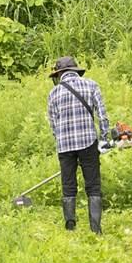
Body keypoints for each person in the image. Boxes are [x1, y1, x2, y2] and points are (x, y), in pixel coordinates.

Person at [46, 55, 111, 234]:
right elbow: (102, 115)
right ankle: (96, 229)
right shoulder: (91, 85)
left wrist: (60, 139)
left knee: (68, 185)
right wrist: (104, 138)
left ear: (59, 74)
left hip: (65, 145)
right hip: (88, 142)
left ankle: (70, 227)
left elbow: (53, 123)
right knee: (93, 185)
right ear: (75, 70)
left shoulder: (53, 93)